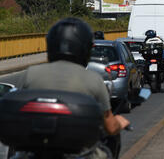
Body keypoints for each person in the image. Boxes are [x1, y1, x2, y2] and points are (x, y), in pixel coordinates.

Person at [17, 17, 129, 159]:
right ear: (85, 49)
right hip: (78, 151)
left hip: (34, 149)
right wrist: (119, 122)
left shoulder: (30, 74)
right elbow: (110, 127)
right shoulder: (93, 79)